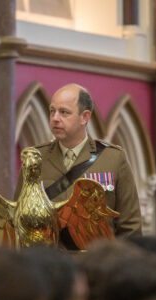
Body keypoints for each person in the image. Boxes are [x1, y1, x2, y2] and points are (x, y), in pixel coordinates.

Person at [14, 83, 142, 247]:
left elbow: (130, 226)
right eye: (52, 111)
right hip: (50, 264)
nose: (55, 118)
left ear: (85, 117)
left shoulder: (113, 159)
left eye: (64, 112)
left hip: (96, 264)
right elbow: (19, 219)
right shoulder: (35, 159)